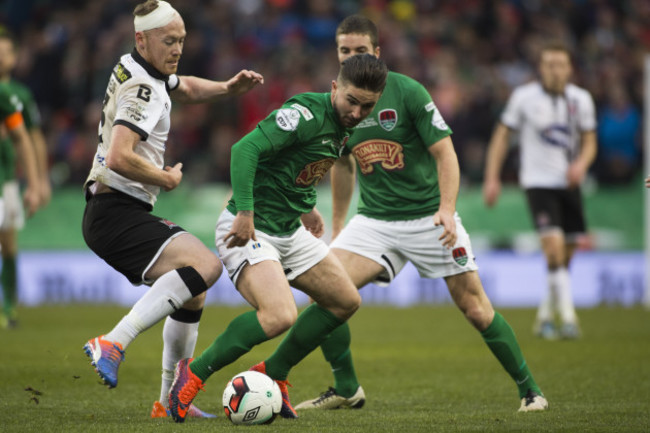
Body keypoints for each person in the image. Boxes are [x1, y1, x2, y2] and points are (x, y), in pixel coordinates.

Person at [293, 15, 548, 413]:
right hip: (374, 221)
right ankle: (346, 387)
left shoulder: (409, 92)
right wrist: (339, 225)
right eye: (345, 51)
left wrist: (447, 209)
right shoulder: (341, 101)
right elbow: (343, 166)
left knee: (476, 309)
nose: (352, 57)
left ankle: (530, 390)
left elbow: (445, 153)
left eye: (360, 51)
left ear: (377, 53)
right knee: (324, 290)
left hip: (428, 218)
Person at [167, 53, 388, 423]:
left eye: (367, 106)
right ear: (335, 88)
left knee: (344, 300)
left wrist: (305, 205)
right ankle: (193, 373)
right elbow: (245, 149)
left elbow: (295, 166)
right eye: (351, 101)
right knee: (279, 314)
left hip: (289, 228)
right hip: (248, 227)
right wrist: (246, 212)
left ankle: (274, 372)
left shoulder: (347, 125)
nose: (357, 112)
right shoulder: (304, 113)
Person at [80, 0, 263, 419]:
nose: (178, 47)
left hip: (119, 208)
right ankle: (113, 341)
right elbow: (120, 155)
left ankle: (169, 402)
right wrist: (164, 178)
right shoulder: (142, 88)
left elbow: (184, 87)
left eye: (181, 39)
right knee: (206, 265)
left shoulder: (143, 69)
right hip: (114, 210)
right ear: (142, 39)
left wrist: (227, 88)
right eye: (169, 40)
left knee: (193, 292)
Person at [483, 41, 597, 340]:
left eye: (560, 64)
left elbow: (590, 141)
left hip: (570, 185)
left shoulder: (581, 100)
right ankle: (569, 319)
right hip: (537, 182)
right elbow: (502, 135)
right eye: (549, 64)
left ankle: (545, 316)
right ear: (541, 68)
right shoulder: (524, 97)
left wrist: (582, 165)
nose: (555, 70)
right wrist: (491, 177)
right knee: (553, 249)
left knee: (563, 260)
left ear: (570, 68)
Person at [0, 28, 51, 330]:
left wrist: (37, 181)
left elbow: (29, 137)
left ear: (15, 57)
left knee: (8, 244)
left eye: (5, 52)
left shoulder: (16, 95)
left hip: (6, 178)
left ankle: (9, 307)